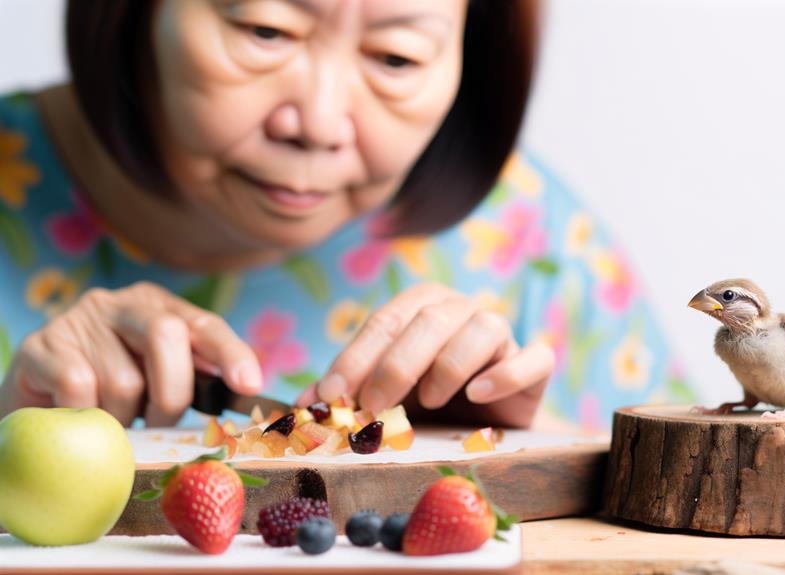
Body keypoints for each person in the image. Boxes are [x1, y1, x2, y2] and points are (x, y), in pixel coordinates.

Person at [0, 0, 692, 431]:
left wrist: (522, 455)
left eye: (396, 57)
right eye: (265, 29)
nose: (320, 123)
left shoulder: (527, 235)